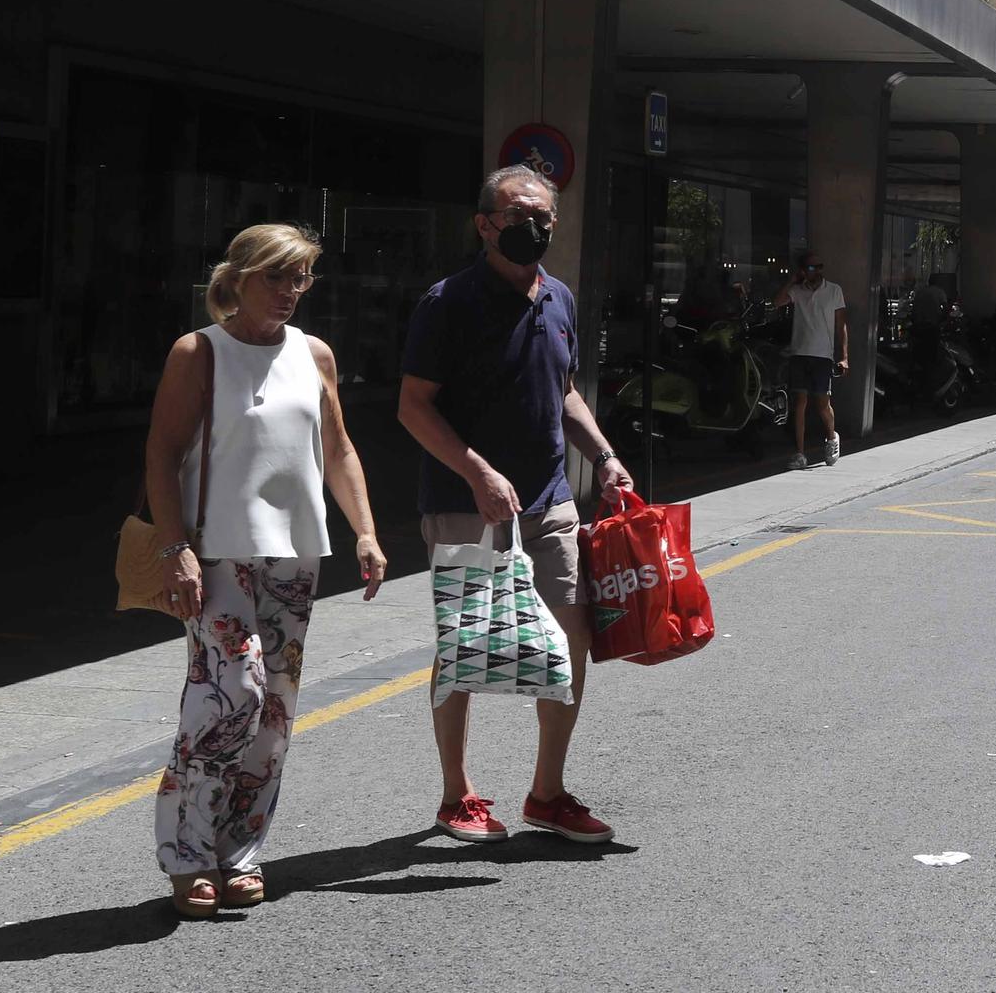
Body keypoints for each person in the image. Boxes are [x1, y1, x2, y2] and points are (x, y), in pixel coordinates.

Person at [144, 223, 387, 919]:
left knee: (275, 707)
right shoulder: (200, 353)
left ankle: (240, 851)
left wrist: (365, 532)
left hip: (294, 550)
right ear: (240, 276)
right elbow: (161, 455)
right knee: (231, 694)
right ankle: (188, 853)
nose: (290, 292)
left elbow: (337, 449)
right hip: (215, 551)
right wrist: (173, 549)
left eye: (302, 277)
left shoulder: (314, 354)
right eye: (277, 276)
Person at [398, 166, 632, 848]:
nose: (533, 227)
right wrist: (475, 470)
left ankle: (548, 793)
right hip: (465, 503)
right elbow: (413, 406)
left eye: (543, 216)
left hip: (549, 501)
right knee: (467, 647)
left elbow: (563, 391)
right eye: (516, 216)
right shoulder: (448, 302)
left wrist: (605, 457)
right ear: (484, 225)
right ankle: (455, 795)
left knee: (570, 639)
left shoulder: (559, 297)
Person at [774, 252, 848, 470]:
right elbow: (777, 302)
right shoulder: (797, 291)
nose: (816, 271)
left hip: (822, 355)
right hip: (799, 352)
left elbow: (842, 326)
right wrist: (791, 280)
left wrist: (844, 357)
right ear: (803, 270)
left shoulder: (834, 291)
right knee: (800, 403)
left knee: (822, 403)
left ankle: (832, 437)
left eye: (819, 266)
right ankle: (799, 453)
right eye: (811, 267)